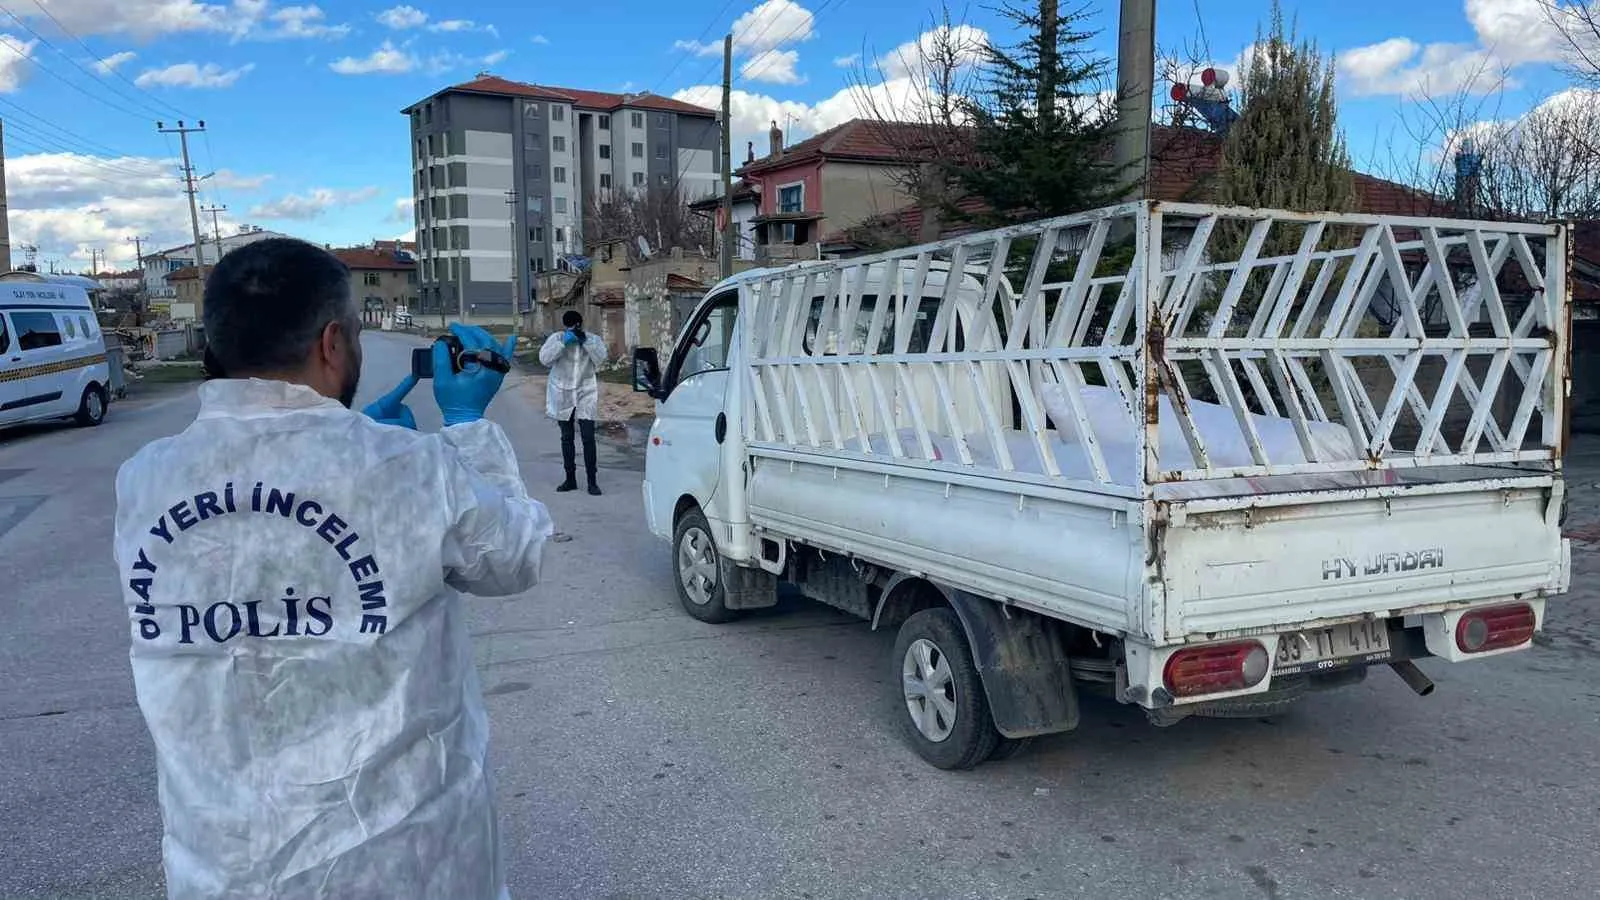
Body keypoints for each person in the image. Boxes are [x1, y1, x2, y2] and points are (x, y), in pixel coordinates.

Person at [112, 238, 554, 900]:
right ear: (331, 343)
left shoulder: (145, 479)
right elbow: (514, 555)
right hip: (404, 861)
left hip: (225, 866)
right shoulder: (411, 468)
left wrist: (351, 457)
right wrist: (465, 428)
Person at [538, 310, 607, 495]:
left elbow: (601, 358)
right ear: (565, 326)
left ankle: (592, 481)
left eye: (576, 325)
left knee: (588, 437)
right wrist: (563, 343)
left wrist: (586, 342)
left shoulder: (592, 339)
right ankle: (570, 479)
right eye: (570, 326)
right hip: (562, 392)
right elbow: (544, 359)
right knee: (567, 437)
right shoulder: (557, 338)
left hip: (586, 391)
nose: (574, 329)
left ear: (580, 324)